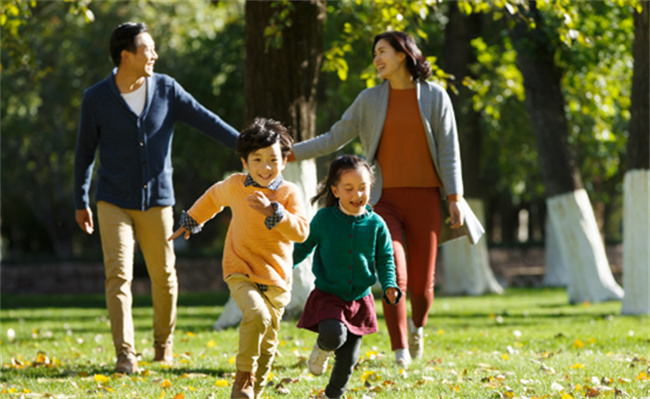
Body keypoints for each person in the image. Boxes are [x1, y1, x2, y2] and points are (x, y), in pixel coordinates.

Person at [291, 31, 483, 367]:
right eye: (374, 53)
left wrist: (455, 196)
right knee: (394, 273)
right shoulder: (369, 100)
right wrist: (289, 154)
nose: (377, 59)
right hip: (384, 202)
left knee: (423, 289)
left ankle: (418, 325)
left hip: (426, 200)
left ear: (403, 54)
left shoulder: (436, 97)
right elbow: (334, 137)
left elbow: (450, 152)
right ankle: (400, 351)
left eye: (382, 51)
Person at [73, 22, 240, 374]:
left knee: (164, 275)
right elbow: (84, 153)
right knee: (117, 275)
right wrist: (80, 200)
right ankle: (125, 355)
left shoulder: (166, 89)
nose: (155, 54)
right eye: (148, 48)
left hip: (158, 201)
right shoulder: (97, 98)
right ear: (126, 55)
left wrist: (247, 145)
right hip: (112, 200)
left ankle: (163, 345)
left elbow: (206, 120)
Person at [168, 117, 309, 399]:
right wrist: (192, 220)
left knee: (268, 343)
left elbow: (302, 232)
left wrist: (275, 212)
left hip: (277, 278)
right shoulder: (235, 185)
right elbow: (212, 198)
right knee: (255, 314)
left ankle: (252, 392)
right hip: (240, 268)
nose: (265, 167)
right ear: (245, 162)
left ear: (284, 161)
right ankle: (242, 378)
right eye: (257, 159)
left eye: (272, 159)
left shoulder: (288, 192)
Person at [293, 155, 401, 399]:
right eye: (349, 188)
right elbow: (302, 247)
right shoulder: (324, 219)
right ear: (335, 190)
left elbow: (385, 258)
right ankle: (322, 347)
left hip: (360, 300)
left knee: (348, 360)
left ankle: (332, 395)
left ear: (370, 188)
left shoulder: (377, 224)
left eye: (363, 188)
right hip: (329, 296)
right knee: (334, 334)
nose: (357, 194)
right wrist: (280, 268)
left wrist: (390, 284)